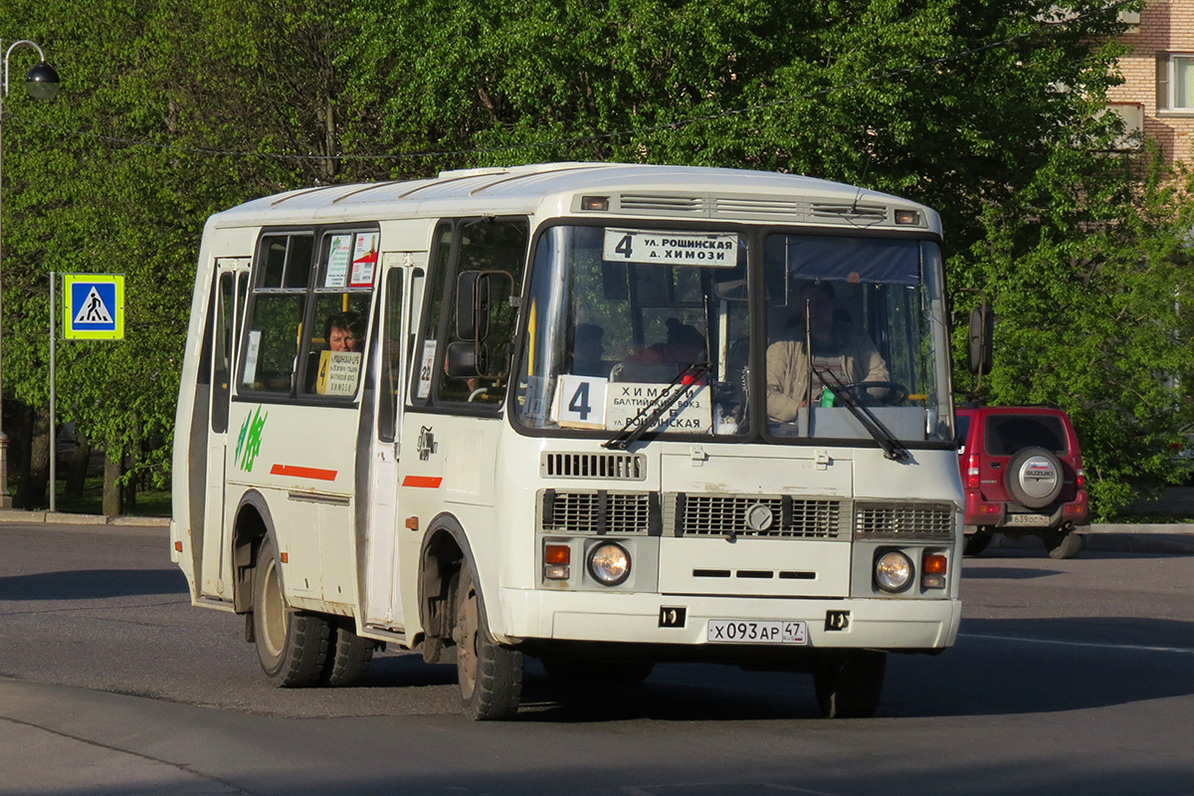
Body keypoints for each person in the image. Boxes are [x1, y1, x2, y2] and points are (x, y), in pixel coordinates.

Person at [766, 282, 888, 423]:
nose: (813, 309)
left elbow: (882, 379)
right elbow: (765, 394)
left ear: (833, 304)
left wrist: (851, 394)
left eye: (819, 302)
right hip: (801, 432)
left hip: (857, 424)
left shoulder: (857, 338)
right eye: (807, 303)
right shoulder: (782, 345)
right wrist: (800, 408)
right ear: (801, 308)